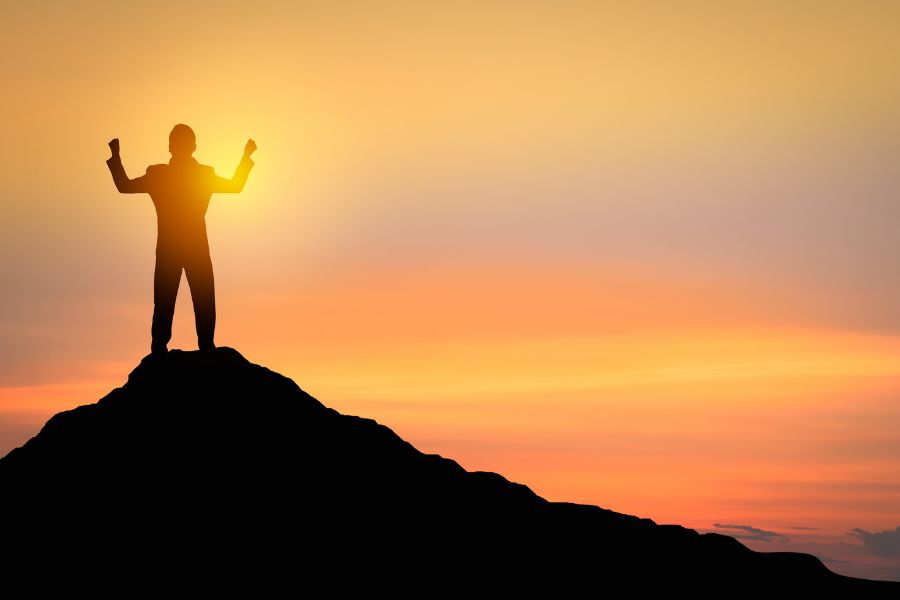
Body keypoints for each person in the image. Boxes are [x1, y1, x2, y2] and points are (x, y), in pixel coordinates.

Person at [106, 124, 256, 354]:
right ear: (190, 147)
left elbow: (124, 186)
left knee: (187, 298)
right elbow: (236, 186)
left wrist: (116, 157)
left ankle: (182, 347)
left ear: (171, 147)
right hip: (181, 248)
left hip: (180, 248)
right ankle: (175, 347)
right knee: (177, 299)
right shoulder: (173, 174)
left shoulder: (169, 175)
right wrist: (245, 158)